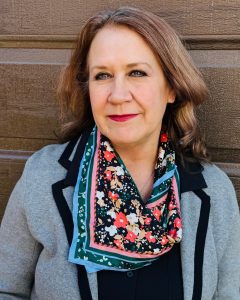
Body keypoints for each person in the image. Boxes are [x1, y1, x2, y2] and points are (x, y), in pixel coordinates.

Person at [0, 6, 239, 300]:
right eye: (102, 76)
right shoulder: (42, 177)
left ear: (172, 88)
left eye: (137, 72)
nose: (118, 95)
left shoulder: (214, 193)